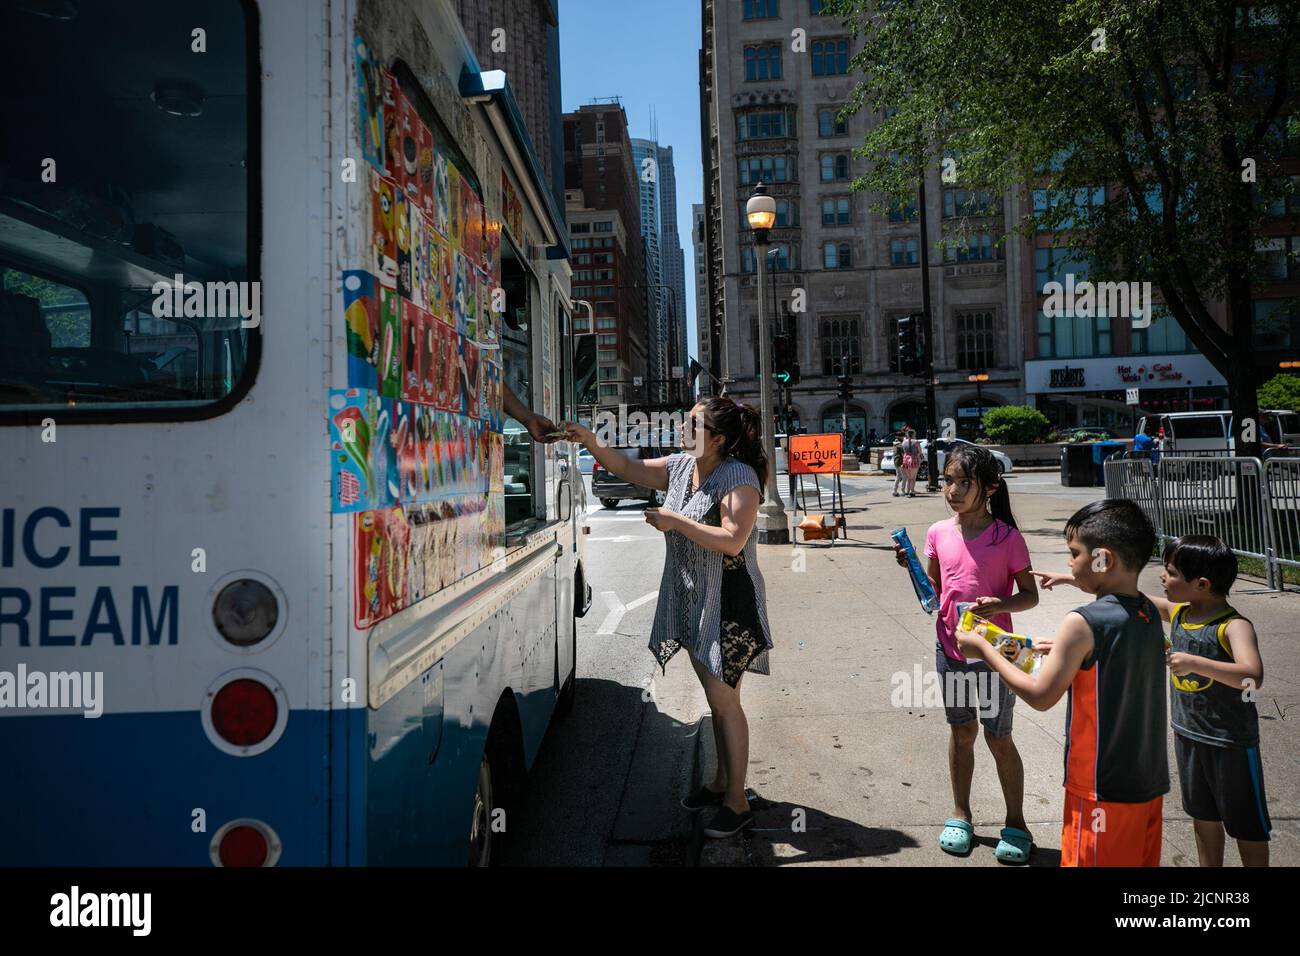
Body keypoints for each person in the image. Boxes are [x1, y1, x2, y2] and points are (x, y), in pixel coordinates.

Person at [560, 398, 774, 839]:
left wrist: (675, 521)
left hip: (729, 605)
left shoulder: (739, 477)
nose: (681, 427)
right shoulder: (680, 466)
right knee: (716, 701)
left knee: (726, 703)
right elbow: (629, 469)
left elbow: (733, 540)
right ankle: (719, 783)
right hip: (695, 601)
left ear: (717, 439)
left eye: (692, 424)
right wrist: (591, 442)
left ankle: (737, 802)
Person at [1037, 534, 1269, 866]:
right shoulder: (1181, 614)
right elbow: (1128, 596)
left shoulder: (1232, 626)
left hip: (1230, 743)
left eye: (1172, 572)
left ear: (1202, 584)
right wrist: (1071, 579)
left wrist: (1194, 662)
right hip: (1189, 738)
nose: (1163, 576)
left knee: (1247, 825)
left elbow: (1252, 675)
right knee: (1203, 817)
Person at [962, 499, 1168, 867]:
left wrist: (984, 649)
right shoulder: (1147, 612)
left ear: (1104, 560)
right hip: (1147, 782)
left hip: (1098, 787)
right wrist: (1063, 650)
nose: (1070, 564)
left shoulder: (1082, 622)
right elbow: (1112, 657)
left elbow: (1041, 697)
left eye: (1074, 554)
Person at [894, 445, 1039, 863]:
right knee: (961, 732)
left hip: (996, 652)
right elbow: (935, 593)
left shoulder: (1007, 538)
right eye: (947, 481)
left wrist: (999, 606)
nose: (953, 490)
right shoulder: (938, 532)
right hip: (951, 650)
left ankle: (1016, 822)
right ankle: (961, 814)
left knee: (998, 736)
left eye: (964, 482)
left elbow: (1028, 596)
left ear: (990, 488)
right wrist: (913, 571)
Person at [899, 428, 922, 498]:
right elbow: (920, 451)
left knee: (908, 478)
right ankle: (911, 492)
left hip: (905, 460)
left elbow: (903, 451)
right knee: (913, 477)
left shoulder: (904, 442)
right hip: (913, 460)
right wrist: (917, 454)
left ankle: (907, 492)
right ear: (913, 434)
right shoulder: (916, 442)